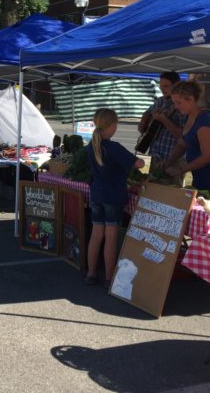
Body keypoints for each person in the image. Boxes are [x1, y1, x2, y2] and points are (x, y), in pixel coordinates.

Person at [85, 108, 144, 288]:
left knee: (96, 235)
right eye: (116, 124)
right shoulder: (114, 147)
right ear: (111, 126)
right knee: (111, 237)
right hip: (113, 195)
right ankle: (110, 277)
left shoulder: (91, 146)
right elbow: (139, 164)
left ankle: (91, 273)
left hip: (96, 194)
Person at [165, 80, 210, 194]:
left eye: (178, 103)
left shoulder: (205, 120)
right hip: (200, 177)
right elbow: (182, 144)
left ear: (190, 99)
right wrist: (169, 161)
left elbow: (208, 156)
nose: (175, 107)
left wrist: (181, 170)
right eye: (174, 103)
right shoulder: (188, 117)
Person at [137, 71, 186, 164]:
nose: (162, 89)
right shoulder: (161, 101)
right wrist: (144, 122)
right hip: (156, 155)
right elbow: (147, 112)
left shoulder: (183, 105)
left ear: (176, 85)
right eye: (161, 86)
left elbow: (183, 136)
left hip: (173, 158)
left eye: (166, 86)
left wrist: (164, 120)